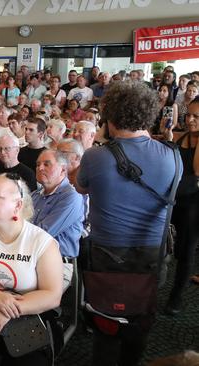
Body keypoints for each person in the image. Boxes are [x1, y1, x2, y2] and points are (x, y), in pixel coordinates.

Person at [71, 80, 177, 366]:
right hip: (153, 255)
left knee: (106, 328)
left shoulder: (95, 156)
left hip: (107, 256)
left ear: (111, 116)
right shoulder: (172, 156)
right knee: (141, 322)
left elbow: (79, 187)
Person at [0, 174, 63, 366]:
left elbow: (52, 295)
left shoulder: (41, 242)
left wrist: (6, 309)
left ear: (18, 205)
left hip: (26, 318)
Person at [163, 97, 199, 315]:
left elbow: (196, 177)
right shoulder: (182, 136)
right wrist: (167, 138)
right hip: (175, 198)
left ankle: (176, 297)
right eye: (189, 115)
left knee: (186, 251)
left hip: (193, 202)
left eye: (196, 116)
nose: (190, 119)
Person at [31, 148, 85, 266]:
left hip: (59, 262)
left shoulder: (71, 196)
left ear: (63, 170)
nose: (40, 168)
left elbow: (43, 233)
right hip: (31, 257)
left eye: (47, 164)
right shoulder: (35, 195)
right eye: (38, 164)